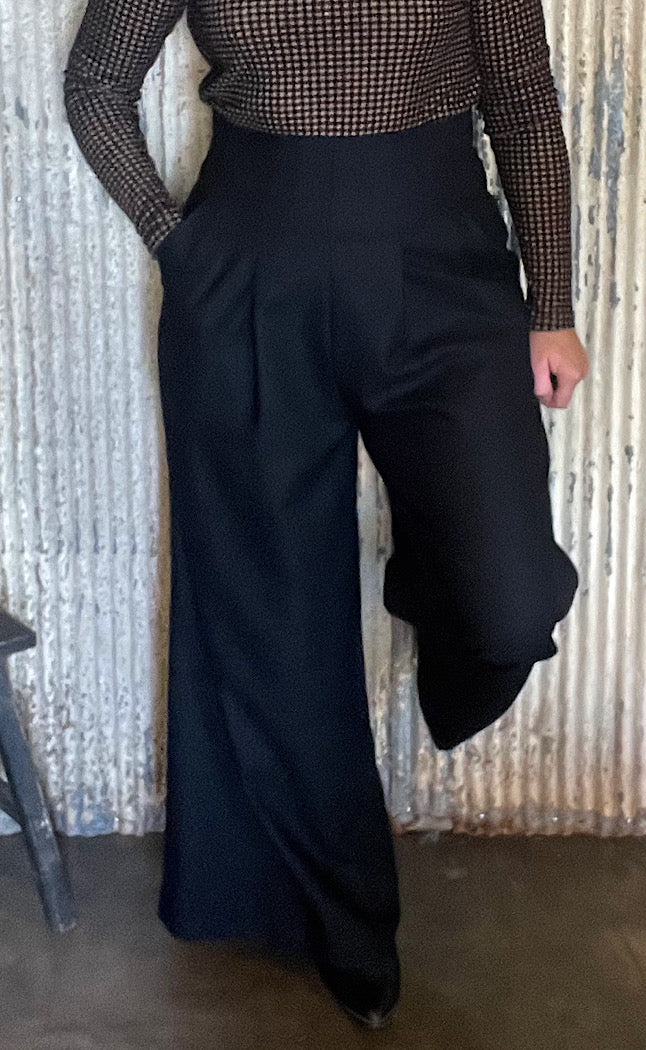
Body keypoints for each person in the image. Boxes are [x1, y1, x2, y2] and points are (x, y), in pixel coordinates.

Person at [62, 0, 588, 1030]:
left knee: (509, 597)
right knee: (278, 619)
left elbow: (523, 100)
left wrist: (553, 305)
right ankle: (341, 921)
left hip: (443, 263)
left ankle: (430, 577)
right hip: (248, 268)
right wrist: (179, 246)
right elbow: (95, 84)